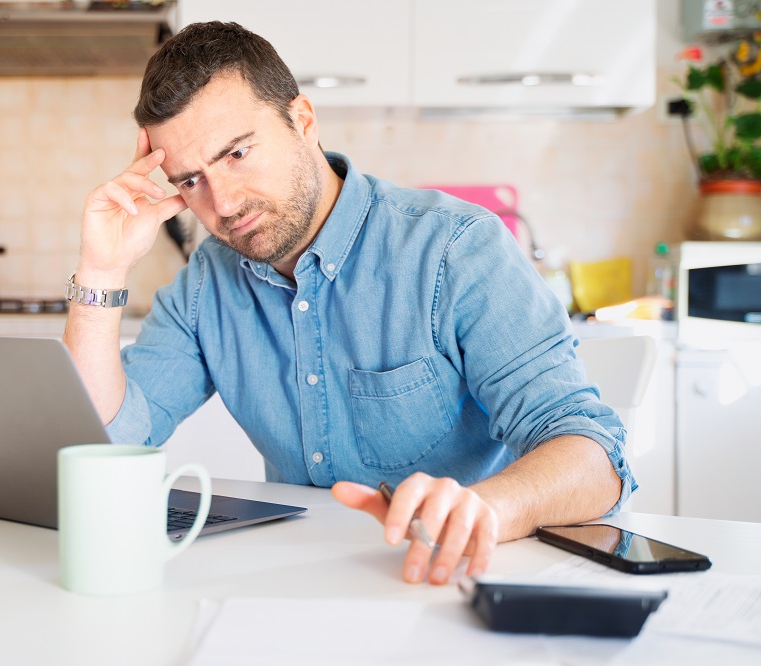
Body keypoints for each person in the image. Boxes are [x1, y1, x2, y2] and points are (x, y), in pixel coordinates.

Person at [63, 21, 635, 586]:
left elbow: (595, 457)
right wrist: (102, 270)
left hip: (459, 579)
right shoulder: (206, 285)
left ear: (302, 121)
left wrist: (485, 509)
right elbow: (104, 448)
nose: (224, 202)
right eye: (190, 181)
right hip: (300, 585)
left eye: (237, 153)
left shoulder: (454, 251)